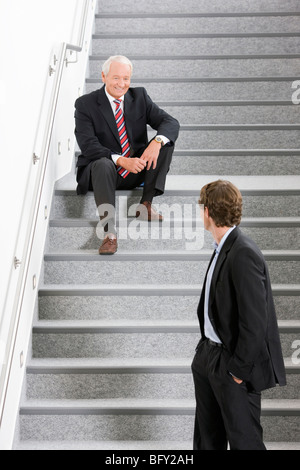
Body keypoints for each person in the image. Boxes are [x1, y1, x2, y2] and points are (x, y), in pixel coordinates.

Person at [192, 179, 286, 450]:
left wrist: (237, 371)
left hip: (231, 365)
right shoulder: (223, 247)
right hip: (209, 357)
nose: (201, 214)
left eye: (201, 209)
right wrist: (203, 354)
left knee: (245, 443)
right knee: (207, 442)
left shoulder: (243, 252)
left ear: (208, 212)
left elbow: (255, 322)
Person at [74, 55, 179, 254]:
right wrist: (122, 161)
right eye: (116, 78)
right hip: (103, 173)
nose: (121, 84)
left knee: (164, 143)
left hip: (135, 170)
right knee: (103, 163)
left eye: (126, 78)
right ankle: (109, 233)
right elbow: (88, 145)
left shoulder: (139, 96)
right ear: (103, 76)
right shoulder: (85, 104)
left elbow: (170, 122)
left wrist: (156, 142)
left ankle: (145, 205)